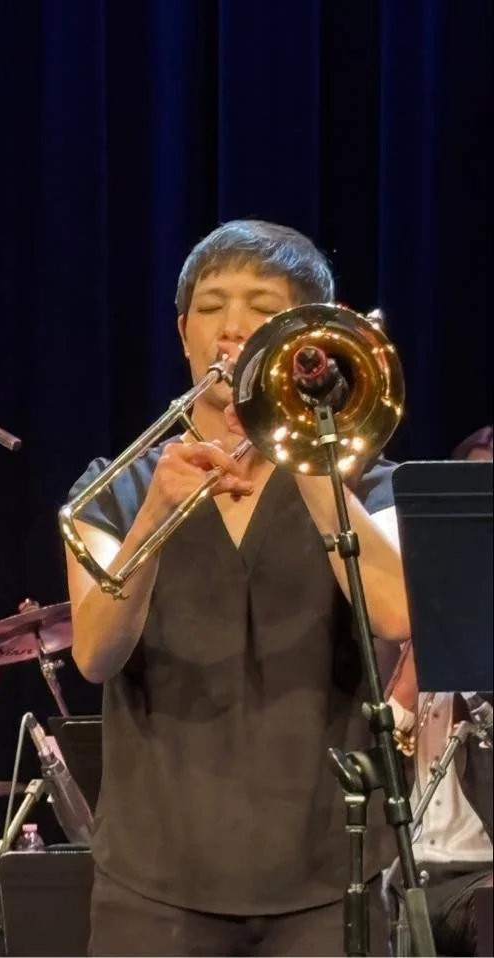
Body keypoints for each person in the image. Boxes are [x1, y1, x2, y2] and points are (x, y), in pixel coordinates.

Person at [64, 220, 411, 956]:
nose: (232, 327)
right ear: (183, 332)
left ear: (304, 336)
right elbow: (94, 651)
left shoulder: (365, 483)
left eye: (262, 307)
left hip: (328, 879)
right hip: (153, 884)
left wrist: (306, 457)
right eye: (212, 306)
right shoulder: (115, 489)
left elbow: (397, 614)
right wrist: (156, 516)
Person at [381, 427, 494, 955]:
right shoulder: (391, 628)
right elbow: (365, 763)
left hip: (482, 878)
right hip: (400, 875)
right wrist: (408, 681)